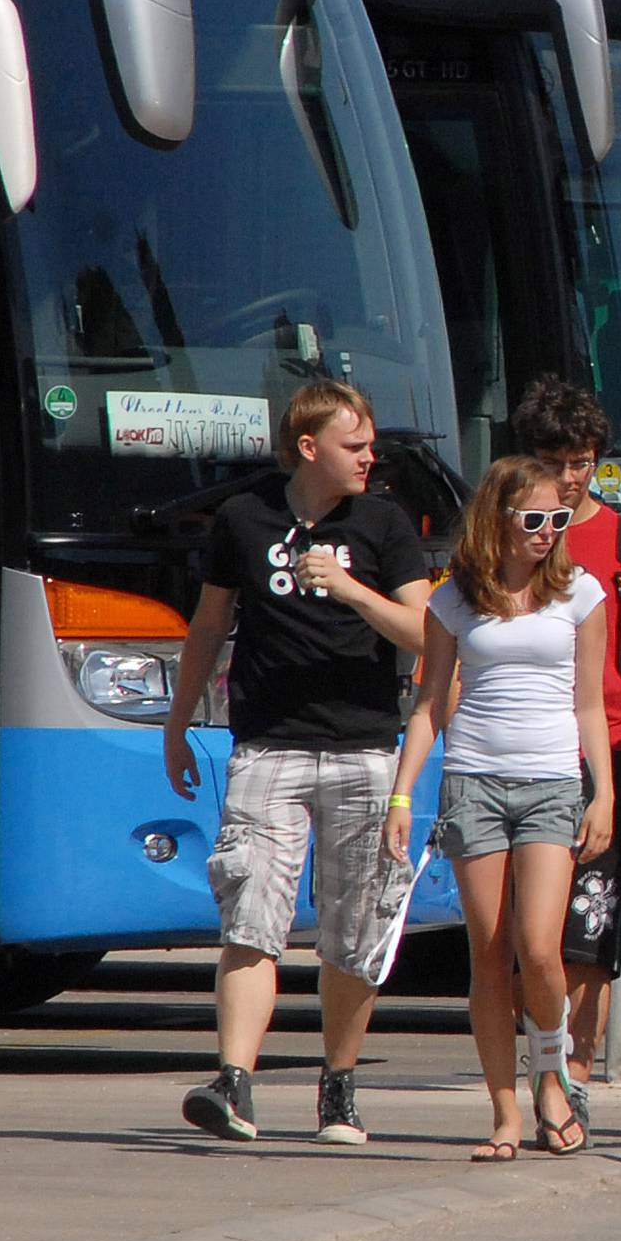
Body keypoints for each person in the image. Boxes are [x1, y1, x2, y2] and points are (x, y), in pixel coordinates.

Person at [167, 381, 431, 1145]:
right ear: (309, 448)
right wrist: (178, 724)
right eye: (356, 446)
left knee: (354, 929)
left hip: (364, 750)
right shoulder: (245, 520)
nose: (370, 457)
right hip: (268, 746)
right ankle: (235, 1082)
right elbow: (209, 627)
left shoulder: (382, 522)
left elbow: (423, 631)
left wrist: (350, 589)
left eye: (371, 445)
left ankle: (339, 1088)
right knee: (251, 917)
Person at [387, 457, 612, 1160]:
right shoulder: (454, 599)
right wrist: (402, 793)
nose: (548, 532)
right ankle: (505, 1112)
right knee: (487, 956)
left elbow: (590, 704)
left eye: (557, 519)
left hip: (551, 781)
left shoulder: (580, 593)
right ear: (498, 521)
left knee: (540, 947)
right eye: (533, 519)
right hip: (474, 781)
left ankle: (553, 1077)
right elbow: (429, 702)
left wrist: (601, 790)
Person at [510, 377, 621, 1132]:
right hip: (516, 752)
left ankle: (572, 1075)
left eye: (583, 460)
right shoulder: (499, 535)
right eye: (556, 458)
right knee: (529, 936)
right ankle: (541, 1065)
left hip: (603, 753)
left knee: (590, 928)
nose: (571, 475)